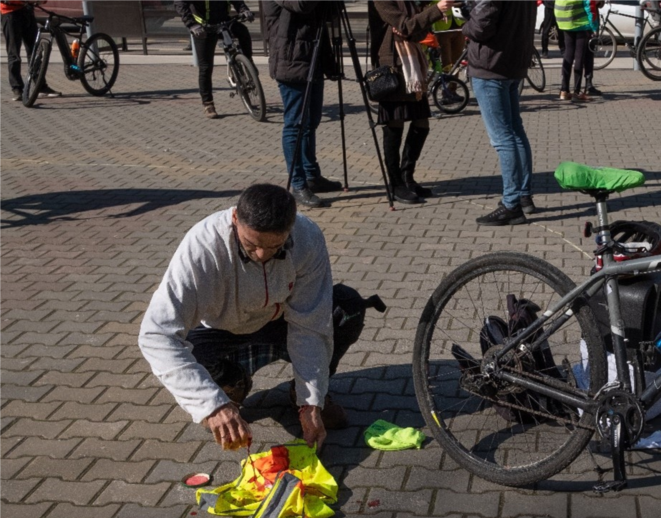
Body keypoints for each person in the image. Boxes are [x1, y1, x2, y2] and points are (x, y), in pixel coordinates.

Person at [139, 184, 377, 452]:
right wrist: (211, 404)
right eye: (252, 245)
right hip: (220, 330)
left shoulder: (307, 236)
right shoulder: (202, 246)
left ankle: (298, 395)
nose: (263, 255)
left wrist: (310, 400)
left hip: (279, 322)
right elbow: (156, 334)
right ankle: (231, 381)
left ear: (291, 228)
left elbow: (311, 324)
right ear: (234, 219)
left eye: (276, 246)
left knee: (347, 307)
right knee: (193, 360)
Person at [369, 0, 454, 205]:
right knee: (394, 125)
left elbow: (415, 32)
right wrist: (434, 10)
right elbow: (406, 25)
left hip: (413, 66)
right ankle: (395, 183)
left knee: (421, 123)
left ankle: (407, 176)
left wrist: (413, 25)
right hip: (393, 68)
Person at [462, 0, 537, 226]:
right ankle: (522, 196)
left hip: (491, 65)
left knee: (503, 138)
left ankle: (511, 204)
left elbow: (480, 28)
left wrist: (466, 21)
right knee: (514, 131)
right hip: (512, 62)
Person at [263, 0, 344, 209]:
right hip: (291, 60)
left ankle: (312, 175)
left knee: (311, 121)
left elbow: (331, 13)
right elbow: (302, 5)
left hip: (313, 57)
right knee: (295, 125)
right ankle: (298, 184)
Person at [174, 0, 255, 119]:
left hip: (224, 22)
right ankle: (208, 104)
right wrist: (191, 24)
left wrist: (244, 10)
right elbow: (180, 3)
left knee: (243, 31)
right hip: (203, 27)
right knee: (206, 67)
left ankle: (248, 63)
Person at [1, 0, 60, 101]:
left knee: (34, 51)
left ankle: (40, 85)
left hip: (27, 11)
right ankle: (17, 88)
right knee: (14, 54)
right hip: (10, 12)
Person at [556, 0, 599, 102]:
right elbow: (589, 5)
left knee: (568, 55)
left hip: (565, 21)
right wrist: (594, 27)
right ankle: (577, 92)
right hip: (580, 23)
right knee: (579, 56)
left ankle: (564, 90)